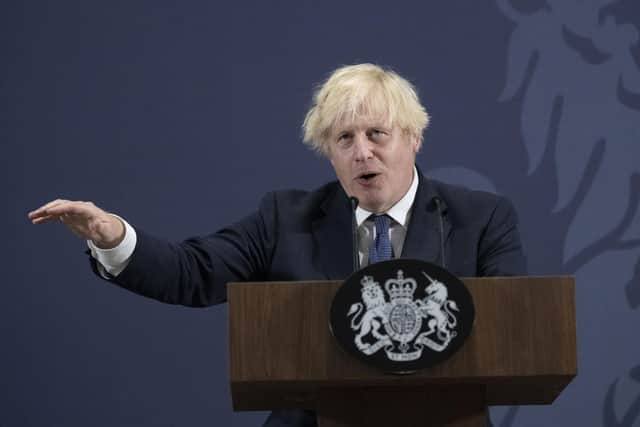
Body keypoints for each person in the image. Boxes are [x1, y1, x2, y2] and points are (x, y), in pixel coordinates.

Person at [29, 63, 526, 426]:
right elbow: (193, 271)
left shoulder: (480, 218)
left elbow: (511, 328)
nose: (362, 152)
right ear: (328, 153)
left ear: (414, 138)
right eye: (344, 139)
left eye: (378, 133)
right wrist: (113, 237)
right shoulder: (285, 219)